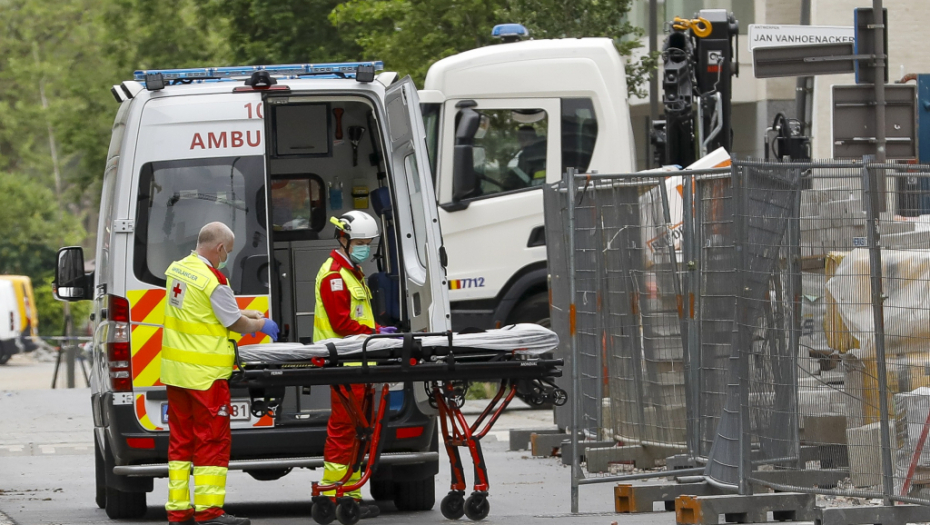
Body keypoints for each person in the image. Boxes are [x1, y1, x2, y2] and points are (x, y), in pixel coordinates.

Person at [161, 222, 279, 525]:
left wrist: (246, 311)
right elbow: (233, 323)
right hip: (205, 376)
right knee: (211, 440)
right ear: (220, 249)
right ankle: (210, 513)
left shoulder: (179, 269)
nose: (227, 256)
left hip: (176, 375)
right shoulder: (214, 280)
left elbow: (205, 309)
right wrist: (259, 325)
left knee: (181, 441)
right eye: (228, 251)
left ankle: (178, 510)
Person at [313, 210, 396, 519]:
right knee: (345, 429)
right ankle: (337, 491)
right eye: (359, 242)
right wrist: (376, 333)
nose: (365, 247)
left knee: (359, 430)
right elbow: (342, 322)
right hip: (345, 361)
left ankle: (350, 495)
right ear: (343, 239)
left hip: (357, 360)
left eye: (368, 242)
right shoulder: (335, 276)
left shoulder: (351, 272)